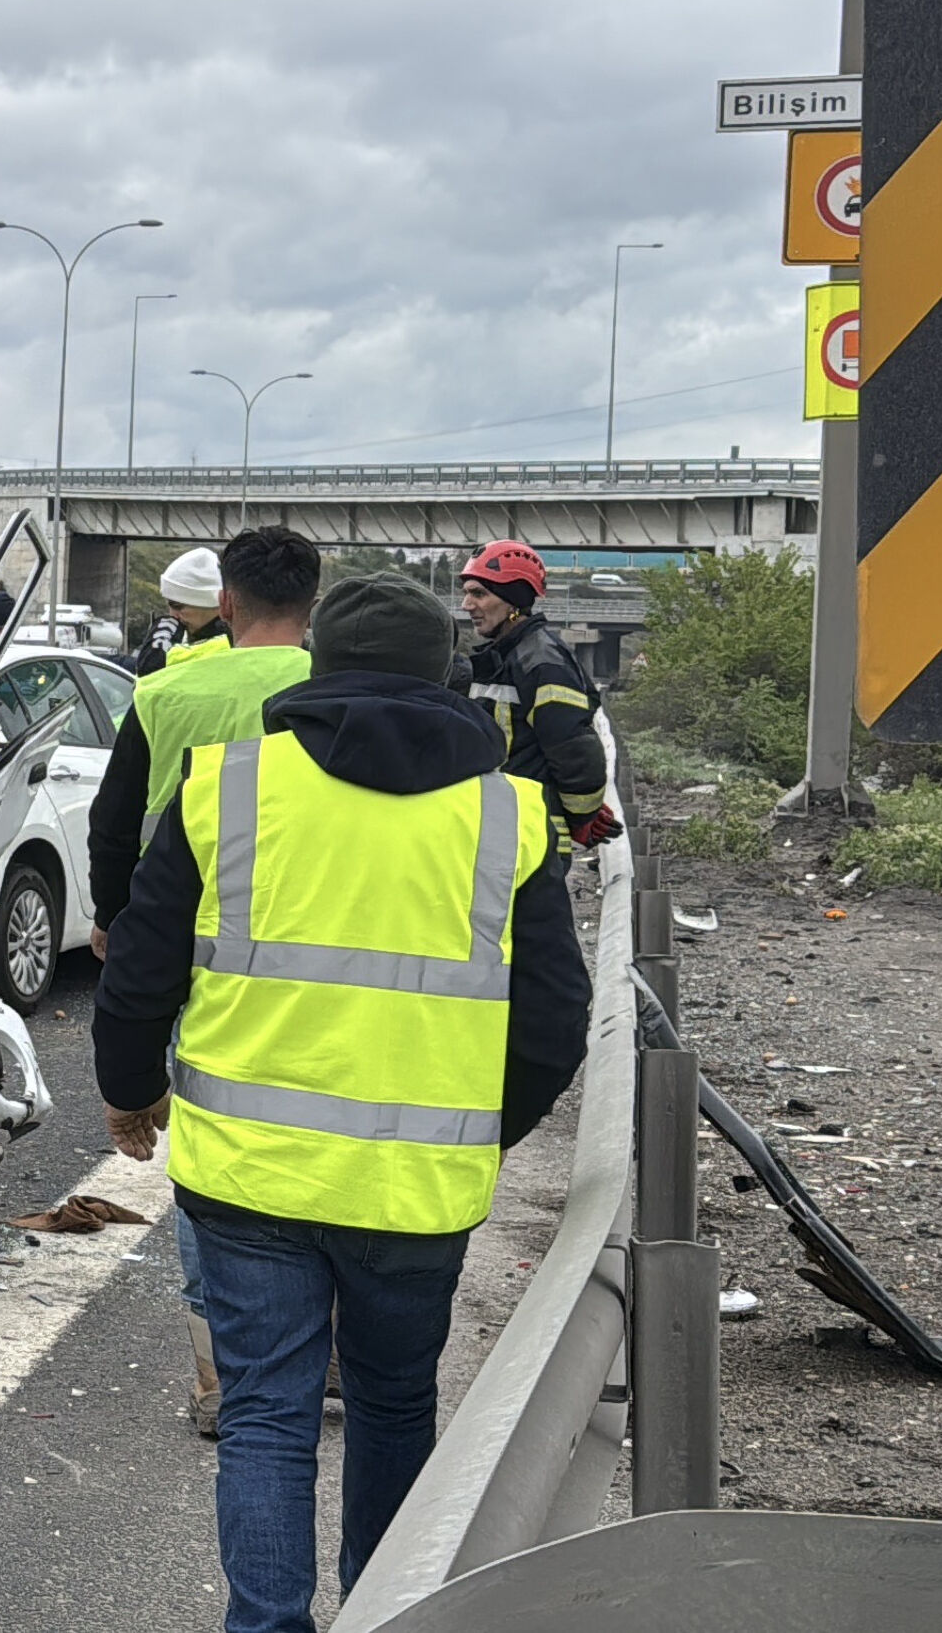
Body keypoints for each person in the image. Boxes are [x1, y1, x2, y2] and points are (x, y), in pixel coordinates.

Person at [92, 573, 590, 1633]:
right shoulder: (507, 811)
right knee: (393, 1406)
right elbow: (557, 1017)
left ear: (317, 666)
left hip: (247, 1179)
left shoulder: (229, 785)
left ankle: (267, 1626)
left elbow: (140, 967)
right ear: (448, 674)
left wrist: (129, 1097)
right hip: (415, 1193)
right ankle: (386, 1615)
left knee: (267, 1414)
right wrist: (476, 1128)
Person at [82, 524, 318, 1436]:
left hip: (182, 938)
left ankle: (220, 1373)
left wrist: (113, 920)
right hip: (304, 939)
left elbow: (112, 823)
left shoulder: (164, 688)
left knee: (212, 1148)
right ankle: (319, 1350)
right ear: (311, 607)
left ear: (225, 604)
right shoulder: (326, 687)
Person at [458, 540, 619, 848]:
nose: (467, 605)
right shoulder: (504, 657)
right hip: (503, 827)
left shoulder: (542, 662)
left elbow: (573, 749)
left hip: (532, 836)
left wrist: (582, 817)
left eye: (479, 593)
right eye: (467, 593)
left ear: (513, 599)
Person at [134, 545, 231, 675]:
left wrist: (156, 655)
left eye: (178, 606)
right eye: (169, 605)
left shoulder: (228, 645)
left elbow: (151, 682)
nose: (173, 616)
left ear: (209, 603)